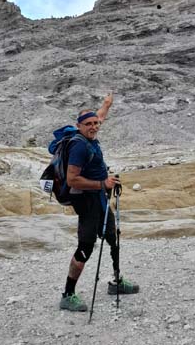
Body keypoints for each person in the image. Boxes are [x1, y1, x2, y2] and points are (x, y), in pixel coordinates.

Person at [59, 92, 139, 312]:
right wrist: (103, 184)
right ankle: (68, 294)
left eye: (96, 123)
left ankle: (116, 282)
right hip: (87, 201)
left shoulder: (91, 134)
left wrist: (106, 104)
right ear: (79, 126)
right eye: (89, 124)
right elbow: (72, 179)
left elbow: (100, 117)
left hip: (99, 199)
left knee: (113, 237)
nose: (94, 126)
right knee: (85, 246)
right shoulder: (79, 146)